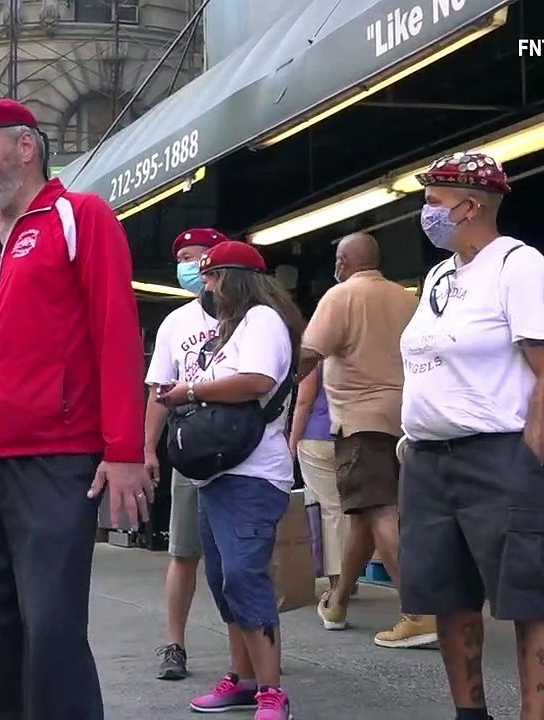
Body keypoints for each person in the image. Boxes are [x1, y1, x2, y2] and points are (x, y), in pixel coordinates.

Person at [0, 98, 150, 720]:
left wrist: (124, 451)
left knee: (51, 630)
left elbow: (116, 332)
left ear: (25, 147)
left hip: (54, 461)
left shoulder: (79, 217)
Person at [398, 151, 544, 720]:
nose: (426, 212)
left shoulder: (520, 268)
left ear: (471, 207)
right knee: (447, 596)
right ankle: (469, 714)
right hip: (429, 461)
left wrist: (530, 462)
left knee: (530, 595)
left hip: (498, 455)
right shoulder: (441, 275)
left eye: (434, 201)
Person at [156, 241, 303, 720]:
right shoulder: (234, 327)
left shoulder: (262, 320)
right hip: (220, 476)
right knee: (223, 580)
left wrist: (190, 390)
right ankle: (242, 679)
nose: (208, 287)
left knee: (243, 576)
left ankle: (271, 691)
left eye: (214, 276)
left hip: (252, 476)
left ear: (235, 278)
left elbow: (257, 380)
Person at [299, 232, 437, 648]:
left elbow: (309, 353)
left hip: (361, 421)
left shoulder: (341, 296)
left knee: (379, 511)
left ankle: (418, 613)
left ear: (343, 262)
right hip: (408, 420)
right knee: (363, 515)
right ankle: (337, 602)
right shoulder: (407, 299)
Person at [143, 227, 227, 681]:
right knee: (183, 551)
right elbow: (159, 391)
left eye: (196, 257)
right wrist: (147, 449)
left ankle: (254, 650)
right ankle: (174, 644)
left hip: (243, 447)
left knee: (241, 557)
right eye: (182, 259)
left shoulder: (253, 314)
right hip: (192, 445)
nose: (189, 267)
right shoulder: (177, 322)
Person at [289, 361, 353, 593]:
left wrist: (291, 444)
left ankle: (339, 582)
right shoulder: (356, 352)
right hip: (354, 436)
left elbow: (303, 402)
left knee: (330, 509)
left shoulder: (316, 359)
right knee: (351, 508)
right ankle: (351, 575)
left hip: (316, 438)